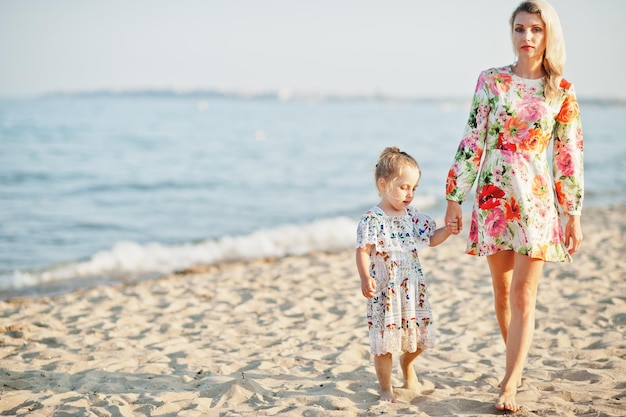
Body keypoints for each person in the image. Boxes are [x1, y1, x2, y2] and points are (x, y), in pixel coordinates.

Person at [444, 0, 584, 412]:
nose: (527, 37)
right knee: (503, 292)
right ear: (512, 33)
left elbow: (568, 155)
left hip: (537, 201)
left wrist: (572, 213)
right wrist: (455, 197)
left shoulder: (561, 90)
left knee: (525, 294)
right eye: (520, 29)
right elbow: (473, 140)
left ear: (548, 35)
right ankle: (517, 365)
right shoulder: (491, 82)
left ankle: (510, 382)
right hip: (494, 197)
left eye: (536, 30)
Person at [356, 146, 455, 403]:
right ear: (384, 183)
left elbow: (431, 239)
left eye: (414, 188)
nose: (410, 194)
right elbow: (363, 251)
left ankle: (407, 364)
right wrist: (365, 277)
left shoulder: (412, 216)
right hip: (385, 292)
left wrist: (448, 230)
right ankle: (386, 388)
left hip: (412, 291)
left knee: (420, 339)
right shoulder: (372, 219)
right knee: (384, 343)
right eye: (404, 187)